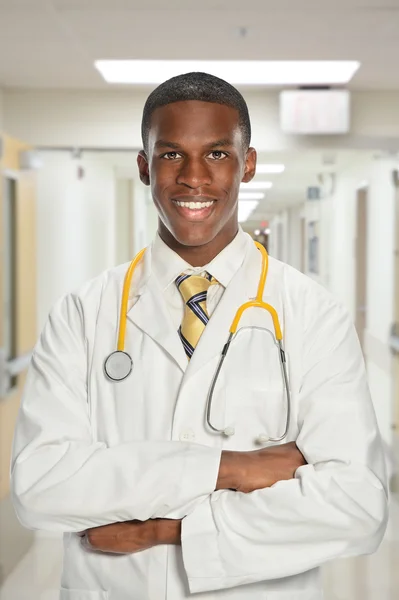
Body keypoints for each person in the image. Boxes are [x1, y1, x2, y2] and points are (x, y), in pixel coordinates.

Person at [11, 72, 388, 600]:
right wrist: (234, 468)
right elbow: (41, 488)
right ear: (144, 167)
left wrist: (165, 531)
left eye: (216, 154)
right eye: (170, 155)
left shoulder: (312, 313)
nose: (193, 178)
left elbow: (357, 506)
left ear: (247, 164)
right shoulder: (83, 312)